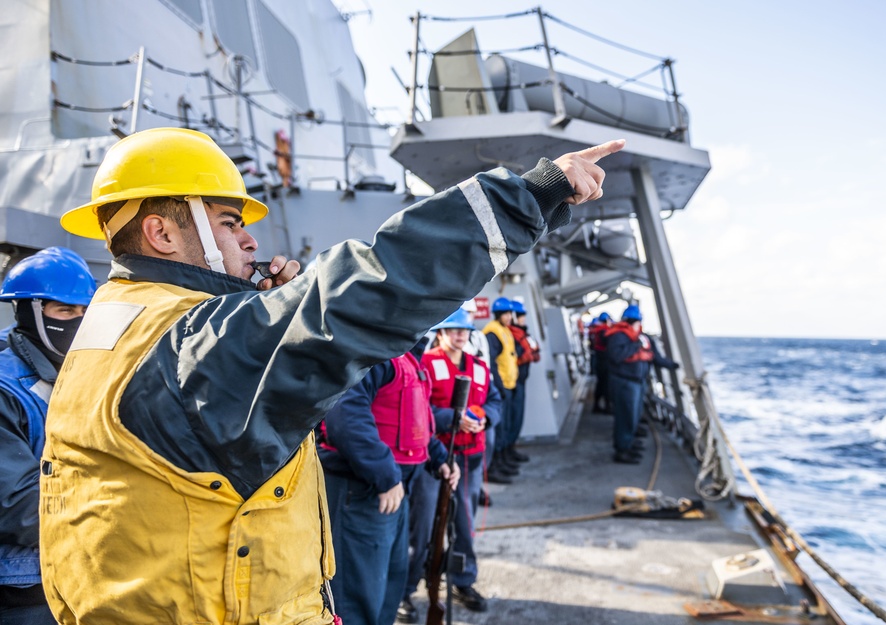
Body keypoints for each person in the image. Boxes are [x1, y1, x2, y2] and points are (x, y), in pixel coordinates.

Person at [37, 126, 623, 624]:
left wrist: (250, 310)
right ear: (161, 233)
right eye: (225, 221)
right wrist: (533, 194)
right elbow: (366, 290)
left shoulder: (115, 322)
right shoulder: (199, 345)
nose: (249, 238)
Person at [317, 353, 459, 625]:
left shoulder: (406, 358)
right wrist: (385, 475)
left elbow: (415, 416)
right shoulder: (373, 352)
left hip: (393, 492)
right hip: (363, 492)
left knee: (388, 587)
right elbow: (345, 416)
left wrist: (439, 458)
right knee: (358, 596)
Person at [0, 248, 95, 624]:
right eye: (65, 311)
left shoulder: (85, 368)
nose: (79, 322)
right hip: (27, 589)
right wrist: (116, 495)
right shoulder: (6, 389)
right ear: (28, 312)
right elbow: (16, 507)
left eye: (86, 313)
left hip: (83, 572)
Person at [409, 308, 501, 614]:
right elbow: (416, 409)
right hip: (434, 459)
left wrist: (484, 418)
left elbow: (494, 400)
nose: (461, 335)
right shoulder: (425, 364)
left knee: (465, 523)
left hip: (470, 456)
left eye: (465, 331)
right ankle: (407, 587)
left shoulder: (478, 367)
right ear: (441, 333)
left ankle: (462, 579)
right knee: (422, 525)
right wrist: (453, 418)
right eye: (454, 330)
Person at [604, 305, 679, 464]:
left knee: (634, 415)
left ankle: (628, 443)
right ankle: (622, 450)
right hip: (624, 382)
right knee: (625, 417)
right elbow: (616, 356)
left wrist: (672, 365)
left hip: (638, 383)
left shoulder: (643, 337)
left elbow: (655, 357)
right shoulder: (619, 336)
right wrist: (636, 345)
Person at [481, 297, 519, 482]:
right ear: (498, 314)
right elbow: (492, 363)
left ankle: (504, 459)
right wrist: (498, 387)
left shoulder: (504, 330)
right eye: (505, 313)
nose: (509, 317)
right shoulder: (492, 333)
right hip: (501, 386)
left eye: (510, 313)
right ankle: (494, 466)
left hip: (509, 384)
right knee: (500, 427)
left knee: (508, 424)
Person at [503, 299, 540, 464]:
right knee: (510, 418)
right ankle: (505, 452)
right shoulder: (511, 334)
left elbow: (534, 350)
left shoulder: (522, 334)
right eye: (521, 315)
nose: (524, 319)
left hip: (520, 381)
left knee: (517, 418)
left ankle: (511, 448)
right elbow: (516, 356)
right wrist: (528, 356)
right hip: (513, 383)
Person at [589, 311, 612, 412]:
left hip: (600, 360)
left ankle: (597, 406)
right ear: (607, 320)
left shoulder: (598, 331)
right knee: (605, 385)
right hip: (604, 362)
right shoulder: (604, 332)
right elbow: (608, 344)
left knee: (601, 384)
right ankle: (606, 407)